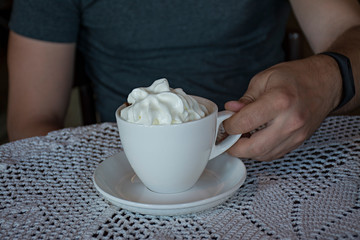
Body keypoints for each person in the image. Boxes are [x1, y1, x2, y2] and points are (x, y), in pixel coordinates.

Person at [6, 0, 360, 161]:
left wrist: (327, 78)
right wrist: (114, 173)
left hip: (269, 158)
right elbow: (31, 117)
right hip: (123, 168)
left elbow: (351, 32)